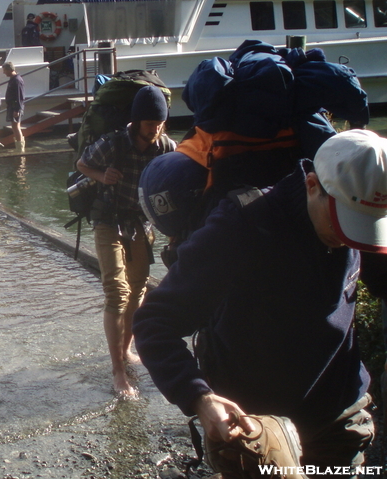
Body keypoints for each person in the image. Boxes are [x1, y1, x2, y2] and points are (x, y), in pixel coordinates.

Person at [133, 129, 387, 473]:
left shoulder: (362, 211)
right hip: (254, 426)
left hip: (339, 411)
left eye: (363, 229)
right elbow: (154, 322)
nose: (349, 239)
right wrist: (199, 398)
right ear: (312, 184)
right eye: (343, 224)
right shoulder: (244, 225)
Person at [76, 85, 176, 397]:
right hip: (108, 218)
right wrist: (101, 174)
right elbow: (81, 164)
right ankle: (118, 372)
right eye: (150, 125)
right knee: (117, 292)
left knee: (138, 287)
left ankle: (125, 349)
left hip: (141, 222)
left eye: (160, 124)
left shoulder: (166, 147)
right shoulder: (113, 143)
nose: (155, 130)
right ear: (136, 121)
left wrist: (175, 230)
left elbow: (175, 186)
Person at [2, 62, 26, 150]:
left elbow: (20, 96)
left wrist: (17, 109)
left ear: (9, 70)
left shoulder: (17, 80)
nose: (4, 72)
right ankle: (19, 146)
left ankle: (20, 147)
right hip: (13, 106)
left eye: (5, 70)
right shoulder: (13, 79)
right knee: (15, 126)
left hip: (15, 106)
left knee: (16, 127)